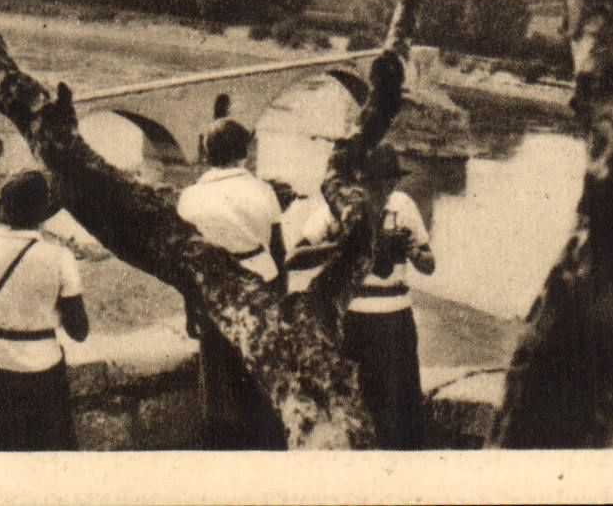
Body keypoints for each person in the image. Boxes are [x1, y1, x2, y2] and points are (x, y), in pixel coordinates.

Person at [293, 146, 434, 449]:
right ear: (359, 182)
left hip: (397, 320)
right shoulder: (338, 210)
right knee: (354, 406)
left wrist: (412, 250)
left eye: (391, 181)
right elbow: (295, 257)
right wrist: (342, 247)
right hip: (353, 321)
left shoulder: (403, 206)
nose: (385, 189)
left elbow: (429, 264)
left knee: (403, 410)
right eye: (377, 181)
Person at [0, 170, 89, 451]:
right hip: (42, 373)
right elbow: (79, 331)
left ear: (4, 213)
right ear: (42, 215)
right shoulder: (59, 257)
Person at [175, 118, 287, 450]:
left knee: (219, 380)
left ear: (207, 154)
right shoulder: (263, 190)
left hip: (212, 291)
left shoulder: (190, 196)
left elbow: (185, 262)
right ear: (244, 152)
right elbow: (279, 252)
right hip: (260, 285)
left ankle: (224, 448)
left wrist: (189, 309)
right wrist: (281, 299)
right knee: (261, 376)